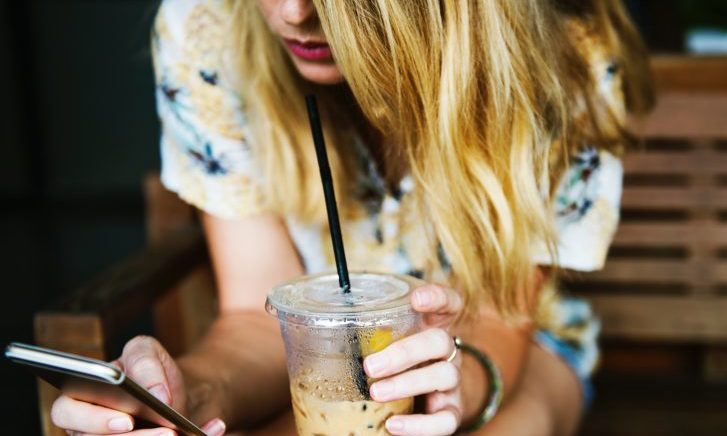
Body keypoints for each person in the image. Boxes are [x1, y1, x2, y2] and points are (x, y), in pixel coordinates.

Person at [51, 0, 653, 435]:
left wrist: (452, 389)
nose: (292, 12)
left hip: (509, 349)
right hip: (317, 365)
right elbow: (256, 320)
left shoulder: (565, 54)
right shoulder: (207, 33)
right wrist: (188, 392)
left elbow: (503, 317)